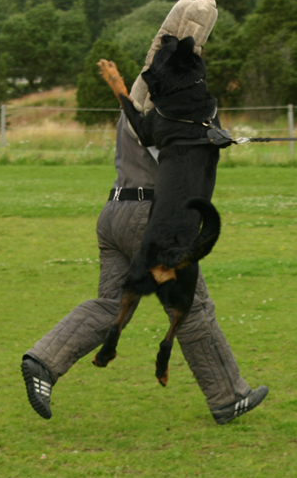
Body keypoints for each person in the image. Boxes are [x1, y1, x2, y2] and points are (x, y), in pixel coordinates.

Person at [21, 110, 269, 425]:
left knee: (113, 304)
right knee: (191, 308)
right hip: (150, 214)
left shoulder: (134, 109)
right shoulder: (167, 108)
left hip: (114, 212)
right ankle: (229, 397)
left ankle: (43, 360)